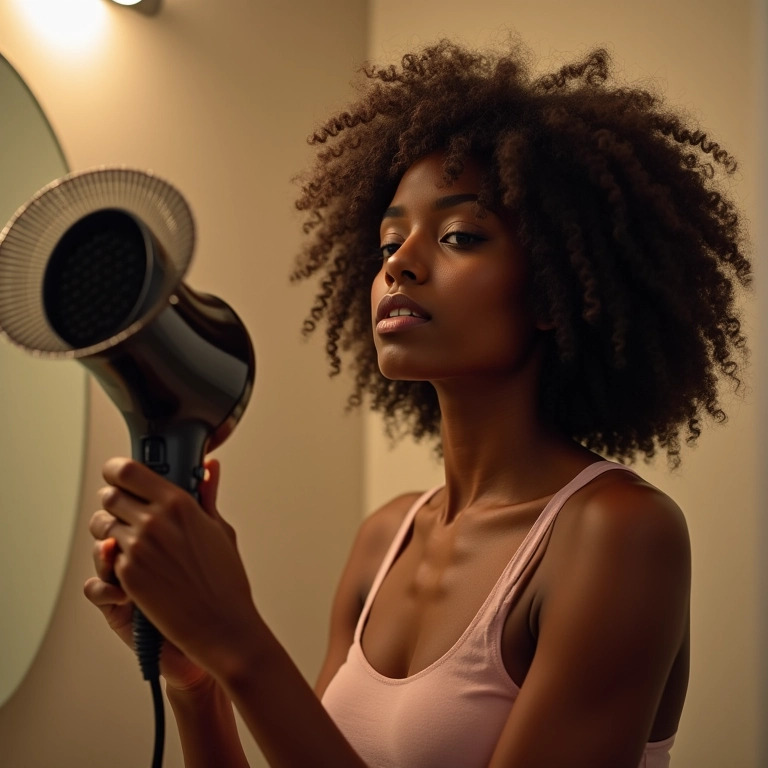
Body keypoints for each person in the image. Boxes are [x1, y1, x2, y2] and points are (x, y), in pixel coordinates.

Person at [84, 39, 751, 768]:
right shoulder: (385, 539)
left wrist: (238, 637)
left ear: (551, 292)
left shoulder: (620, 533)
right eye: (388, 243)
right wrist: (198, 678)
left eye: (460, 236)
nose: (399, 263)